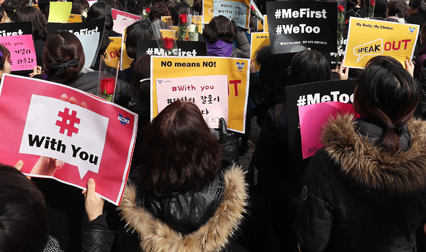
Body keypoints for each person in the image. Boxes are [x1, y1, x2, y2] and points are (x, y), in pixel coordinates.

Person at [296, 56, 426, 252]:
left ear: (360, 100)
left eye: (358, 85)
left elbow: (312, 240)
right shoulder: (422, 157)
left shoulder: (328, 161)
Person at [118, 101, 247, 251]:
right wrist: (229, 155)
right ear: (204, 139)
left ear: (153, 143)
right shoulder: (223, 184)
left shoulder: (137, 185)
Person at [251, 50, 332, 252]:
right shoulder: (338, 112)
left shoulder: (278, 116)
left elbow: (262, 161)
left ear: (292, 75)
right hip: (323, 197)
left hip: (286, 196)